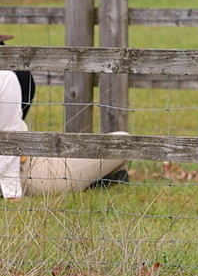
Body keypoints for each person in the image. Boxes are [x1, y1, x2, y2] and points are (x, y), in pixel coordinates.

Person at [0, 40, 130, 199]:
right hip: (23, 169)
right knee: (123, 142)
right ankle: (108, 176)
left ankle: (109, 175)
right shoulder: (9, 75)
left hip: (20, 158)